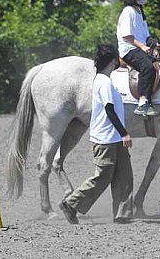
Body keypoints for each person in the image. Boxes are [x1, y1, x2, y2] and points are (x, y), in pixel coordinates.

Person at [59, 44, 133, 224]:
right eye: (116, 59)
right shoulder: (104, 82)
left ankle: (122, 214)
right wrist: (124, 133)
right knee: (102, 176)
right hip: (106, 138)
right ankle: (71, 203)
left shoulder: (105, 80)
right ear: (112, 61)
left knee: (124, 176)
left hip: (113, 137)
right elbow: (109, 110)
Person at [116, 0, 159, 118]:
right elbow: (126, 36)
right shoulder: (128, 12)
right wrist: (143, 47)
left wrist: (153, 43)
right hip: (129, 49)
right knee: (147, 67)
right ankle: (143, 102)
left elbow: (145, 35)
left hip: (139, 47)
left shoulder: (139, 11)